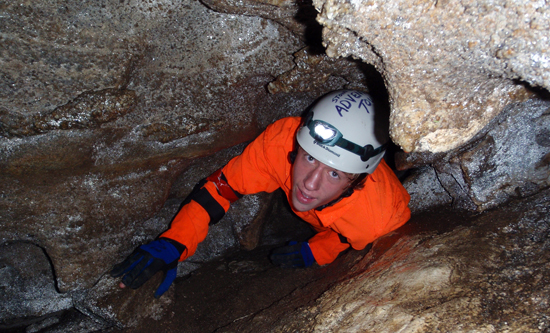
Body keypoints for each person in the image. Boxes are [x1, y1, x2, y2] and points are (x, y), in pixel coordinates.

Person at [111, 89, 411, 298]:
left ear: (356, 182)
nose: (309, 183)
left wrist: (320, 249)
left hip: (346, 221)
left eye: (334, 173)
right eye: (309, 158)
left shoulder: (379, 217)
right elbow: (220, 190)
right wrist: (175, 242)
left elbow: (350, 235)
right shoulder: (282, 143)